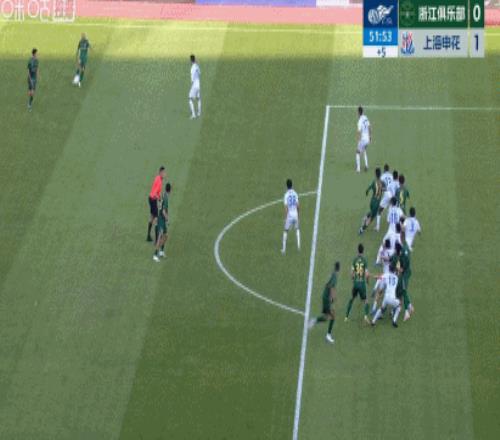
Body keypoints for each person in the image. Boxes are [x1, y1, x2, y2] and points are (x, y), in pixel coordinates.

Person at [308, 261, 340, 344]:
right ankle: (328, 335)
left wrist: (332, 297)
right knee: (332, 316)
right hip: (327, 299)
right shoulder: (335, 277)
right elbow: (331, 287)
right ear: (339, 269)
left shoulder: (332, 274)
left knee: (328, 317)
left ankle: (314, 321)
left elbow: (327, 285)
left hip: (325, 297)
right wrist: (333, 298)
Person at [345, 244, 370, 323]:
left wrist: (353, 280)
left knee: (352, 299)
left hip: (355, 284)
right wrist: (367, 281)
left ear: (357, 250)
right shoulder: (364, 260)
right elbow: (367, 275)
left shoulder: (355, 260)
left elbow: (351, 274)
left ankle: (346, 317)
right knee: (366, 301)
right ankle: (365, 316)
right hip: (362, 284)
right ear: (363, 251)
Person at [359, 167, 383, 234]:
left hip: (372, 201)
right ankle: (362, 229)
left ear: (375, 174)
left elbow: (367, 190)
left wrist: (367, 193)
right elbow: (385, 189)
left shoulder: (373, 182)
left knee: (372, 211)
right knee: (372, 218)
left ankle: (365, 217)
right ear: (380, 174)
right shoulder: (382, 182)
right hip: (377, 203)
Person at [147, 166, 166, 242]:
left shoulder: (158, 178)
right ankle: (156, 240)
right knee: (156, 219)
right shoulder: (159, 181)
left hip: (151, 199)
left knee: (152, 217)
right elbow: (155, 193)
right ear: (160, 173)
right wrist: (159, 198)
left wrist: (160, 197)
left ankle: (148, 236)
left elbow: (156, 192)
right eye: (163, 172)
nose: (165, 174)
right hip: (153, 200)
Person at [281, 179, 300, 254]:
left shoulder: (286, 195)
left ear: (286, 186)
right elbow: (298, 206)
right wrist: (298, 215)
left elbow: (286, 208)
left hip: (289, 215)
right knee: (297, 229)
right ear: (292, 185)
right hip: (295, 214)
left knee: (285, 231)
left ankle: (284, 249)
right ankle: (299, 246)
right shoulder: (295, 193)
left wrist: (285, 219)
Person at [153, 183, 171, 262]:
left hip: (162, 219)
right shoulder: (166, 198)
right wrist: (167, 219)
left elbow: (159, 200)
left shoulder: (163, 195)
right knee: (160, 237)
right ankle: (155, 255)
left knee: (165, 236)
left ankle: (161, 251)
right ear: (170, 190)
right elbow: (163, 211)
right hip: (161, 220)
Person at [356, 106, 371, 173]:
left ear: (359, 112)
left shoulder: (359, 121)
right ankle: (366, 165)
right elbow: (369, 127)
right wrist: (370, 137)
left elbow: (359, 132)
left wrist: (358, 140)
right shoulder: (366, 118)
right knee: (364, 150)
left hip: (363, 139)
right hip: (367, 139)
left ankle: (358, 169)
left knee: (357, 152)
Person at [189, 54, 201, 119]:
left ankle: (193, 115)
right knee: (198, 98)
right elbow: (200, 73)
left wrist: (192, 86)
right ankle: (199, 113)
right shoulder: (197, 66)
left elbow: (192, 79)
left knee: (190, 99)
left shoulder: (192, 68)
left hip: (194, 85)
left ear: (191, 60)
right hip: (198, 84)